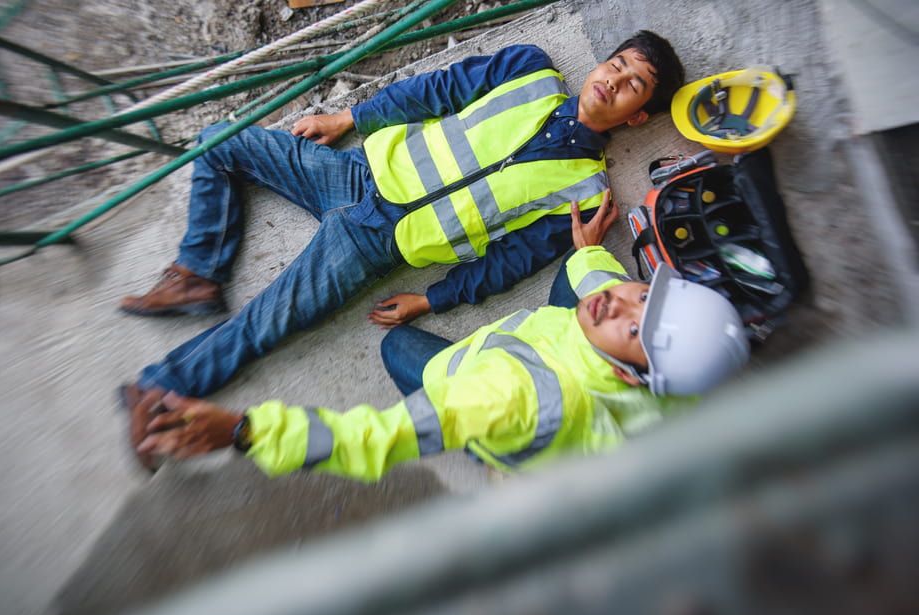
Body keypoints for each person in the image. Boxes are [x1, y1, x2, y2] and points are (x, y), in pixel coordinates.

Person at [120, 31, 685, 450]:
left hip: (377, 243)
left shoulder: (586, 193)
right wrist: (350, 118)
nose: (612, 79)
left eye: (633, 84)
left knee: (264, 324)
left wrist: (430, 299)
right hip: (359, 173)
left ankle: (160, 390)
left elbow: (510, 261)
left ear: (638, 118)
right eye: (616, 63)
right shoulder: (530, 71)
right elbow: (434, 90)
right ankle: (198, 272)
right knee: (219, 142)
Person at [128, 192, 750, 478]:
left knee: (397, 348)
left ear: (630, 372)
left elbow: (374, 439)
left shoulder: (508, 395)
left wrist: (244, 431)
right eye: (643, 293)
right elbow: (605, 295)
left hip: (503, 403)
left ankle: (493, 457)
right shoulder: (678, 384)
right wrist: (587, 253)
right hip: (564, 396)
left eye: (633, 327)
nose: (616, 302)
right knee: (578, 275)